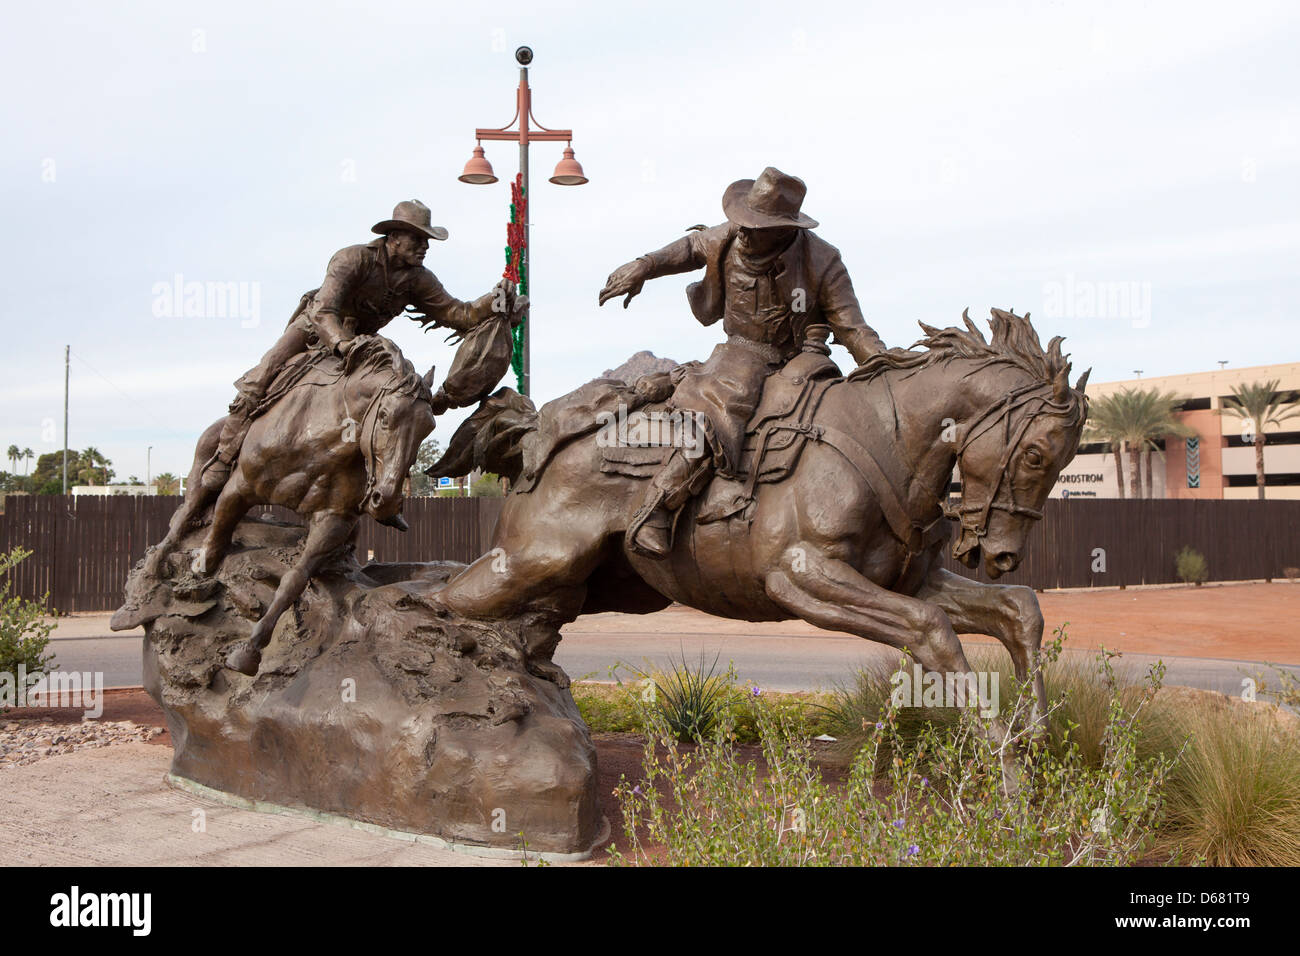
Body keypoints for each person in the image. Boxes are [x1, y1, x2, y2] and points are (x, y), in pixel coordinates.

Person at [598, 167, 886, 558]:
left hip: (802, 359)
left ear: (785, 229)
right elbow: (691, 247)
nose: (746, 232)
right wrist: (645, 266)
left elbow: (854, 329)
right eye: (744, 223)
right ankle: (658, 507)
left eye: (757, 227)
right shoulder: (731, 236)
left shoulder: (822, 260)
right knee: (723, 407)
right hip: (742, 352)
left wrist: (889, 371)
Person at [200, 200, 521, 506]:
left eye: (427, 241)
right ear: (394, 238)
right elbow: (324, 311)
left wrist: (490, 301)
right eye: (418, 239)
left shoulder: (418, 279)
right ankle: (223, 457)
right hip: (316, 329)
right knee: (263, 374)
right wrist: (342, 343)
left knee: (396, 399)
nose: (425, 247)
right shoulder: (352, 259)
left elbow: (457, 313)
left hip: (362, 342)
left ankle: (378, 486)